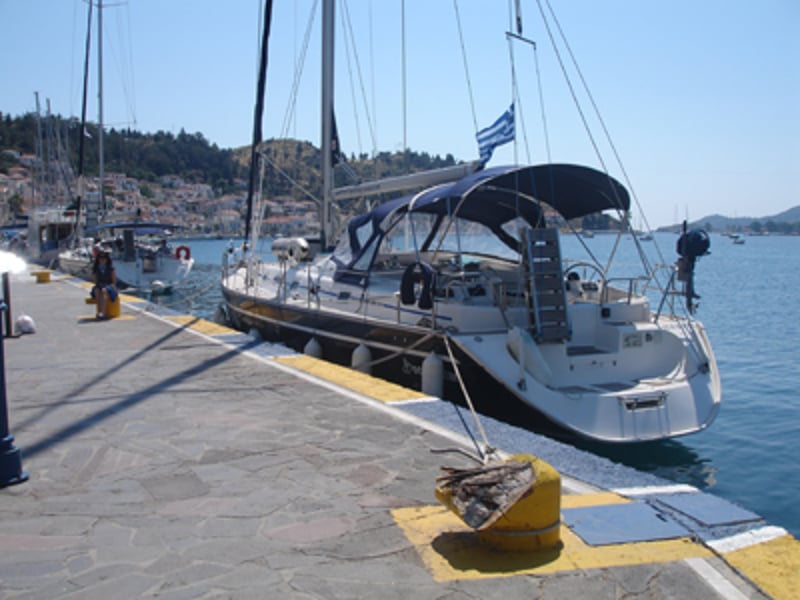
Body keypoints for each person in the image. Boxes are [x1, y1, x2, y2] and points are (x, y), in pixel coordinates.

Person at [91, 250, 117, 320]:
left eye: (104, 259)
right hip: (99, 285)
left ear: (107, 259)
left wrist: (111, 286)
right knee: (96, 291)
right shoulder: (96, 268)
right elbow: (95, 281)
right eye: (100, 259)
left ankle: (103, 312)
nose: (102, 260)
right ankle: (99, 311)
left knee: (103, 291)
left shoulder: (111, 268)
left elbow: (113, 281)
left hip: (109, 285)